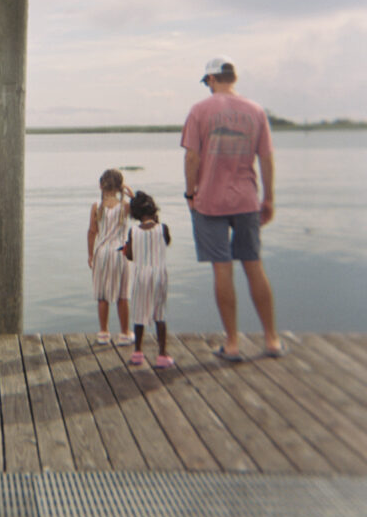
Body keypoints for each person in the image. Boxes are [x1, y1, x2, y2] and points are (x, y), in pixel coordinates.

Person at [181, 56, 283, 361]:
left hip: (209, 201)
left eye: (207, 82)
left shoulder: (199, 110)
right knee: (254, 265)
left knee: (222, 269)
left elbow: (191, 158)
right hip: (247, 200)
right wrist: (269, 199)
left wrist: (190, 194)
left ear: (211, 80)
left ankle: (234, 344)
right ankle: (272, 340)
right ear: (233, 78)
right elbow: (266, 159)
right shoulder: (256, 111)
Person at [124, 191, 174, 368]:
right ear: (154, 210)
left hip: (140, 276)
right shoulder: (163, 228)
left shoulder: (133, 231)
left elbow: (130, 256)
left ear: (135, 214)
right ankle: (162, 354)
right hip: (159, 275)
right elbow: (166, 242)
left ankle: (138, 352)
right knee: (159, 314)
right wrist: (158, 223)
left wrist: (126, 248)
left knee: (139, 312)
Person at [87, 168, 134, 345]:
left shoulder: (96, 206)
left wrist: (90, 254)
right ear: (120, 186)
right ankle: (124, 333)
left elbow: (92, 232)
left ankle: (104, 333)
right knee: (122, 294)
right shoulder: (125, 206)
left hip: (102, 252)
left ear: (101, 185)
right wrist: (130, 193)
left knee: (102, 294)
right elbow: (142, 208)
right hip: (120, 253)